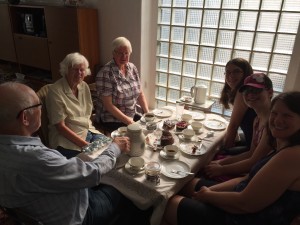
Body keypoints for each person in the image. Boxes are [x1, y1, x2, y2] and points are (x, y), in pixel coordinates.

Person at [0, 82, 136, 225]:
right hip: (78, 214)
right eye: (38, 105)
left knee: (109, 177)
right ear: (25, 118)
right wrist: (115, 148)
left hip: (39, 208)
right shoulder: (37, 158)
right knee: (127, 190)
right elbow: (91, 173)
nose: (41, 109)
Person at [161, 91, 300, 225]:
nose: (277, 120)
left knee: (165, 205)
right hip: (239, 196)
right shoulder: (281, 144)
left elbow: (245, 204)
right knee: (184, 183)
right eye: (274, 113)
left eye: (287, 116)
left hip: (243, 218)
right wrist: (211, 191)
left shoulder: (292, 155)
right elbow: (246, 179)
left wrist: (208, 196)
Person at [183, 73, 274, 193]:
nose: (250, 95)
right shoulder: (257, 120)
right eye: (247, 91)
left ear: (270, 92)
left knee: (187, 181)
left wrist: (222, 169)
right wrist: (221, 163)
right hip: (251, 168)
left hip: (254, 177)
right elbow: (251, 153)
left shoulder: (272, 124)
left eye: (257, 91)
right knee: (208, 161)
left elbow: (253, 161)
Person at [46, 52, 104, 158]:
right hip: (66, 140)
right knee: (92, 162)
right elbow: (60, 127)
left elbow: (87, 114)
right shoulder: (55, 91)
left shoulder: (84, 86)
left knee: (109, 148)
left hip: (88, 131)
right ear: (66, 70)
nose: (79, 73)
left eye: (82, 70)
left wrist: (90, 141)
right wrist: (86, 145)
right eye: (74, 69)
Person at [95, 36, 149, 133]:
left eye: (126, 53)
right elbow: (108, 106)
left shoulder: (132, 68)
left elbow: (140, 93)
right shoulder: (105, 73)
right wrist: (129, 122)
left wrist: (147, 113)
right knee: (136, 136)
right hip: (111, 118)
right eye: (120, 53)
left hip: (131, 113)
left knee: (150, 128)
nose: (123, 56)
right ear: (113, 53)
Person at [219, 58, 257, 154]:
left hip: (254, 147)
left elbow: (233, 126)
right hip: (253, 140)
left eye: (236, 71)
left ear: (246, 73)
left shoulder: (243, 92)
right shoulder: (246, 90)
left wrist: (225, 150)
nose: (231, 75)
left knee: (216, 152)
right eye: (228, 72)